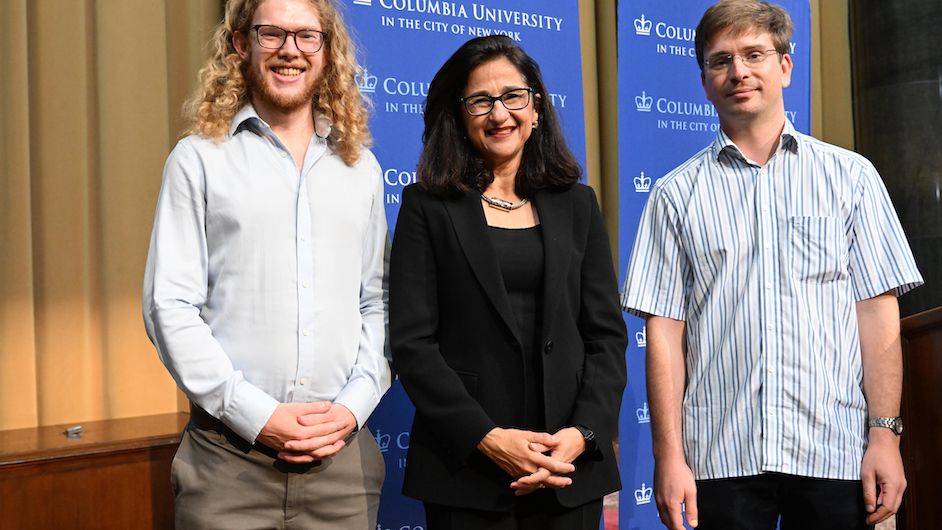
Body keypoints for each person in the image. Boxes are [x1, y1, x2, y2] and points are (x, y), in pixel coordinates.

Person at [621, 1, 924, 529]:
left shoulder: (851, 178)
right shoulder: (674, 196)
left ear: (785, 66)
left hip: (835, 450)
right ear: (704, 81)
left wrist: (885, 435)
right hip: (721, 456)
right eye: (721, 61)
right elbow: (664, 335)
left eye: (754, 54)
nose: (738, 71)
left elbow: (877, 316)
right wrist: (668, 458)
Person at [142, 0, 391, 527]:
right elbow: (171, 306)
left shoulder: (360, 167)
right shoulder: (198, 158)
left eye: (306, 36)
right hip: (228, 464)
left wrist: (351, 408)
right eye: (271, 33)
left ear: (326, 49)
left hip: (342, 466)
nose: (289, 50)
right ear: (241, 44)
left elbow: (378, 301)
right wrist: (259, 417)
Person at [389, 35, 627, 530]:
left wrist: (582, 434)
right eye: (480, 100)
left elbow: (605, 336)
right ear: (458, 115)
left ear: (536, 108)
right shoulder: (426, 207)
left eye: (513, 96)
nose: (499, 114)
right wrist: (488, 438)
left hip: (567, 469)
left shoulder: (578, 204)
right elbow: (413, 344)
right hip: (469, 469)